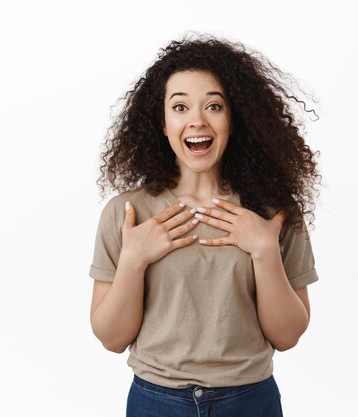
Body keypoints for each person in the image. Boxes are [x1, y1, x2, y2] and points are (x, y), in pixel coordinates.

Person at [88, 33, 321, 417]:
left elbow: (288, 335)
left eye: (214, 106)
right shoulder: (126, 213)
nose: (196, 120)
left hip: (249, 401)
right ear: (162, 123)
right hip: (155, 402)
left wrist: (264, 252)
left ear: (235, 117)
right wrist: (133, 260)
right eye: (179, 107)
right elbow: (112, 339)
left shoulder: (274, 213)